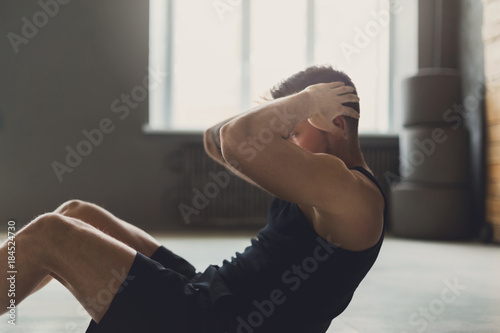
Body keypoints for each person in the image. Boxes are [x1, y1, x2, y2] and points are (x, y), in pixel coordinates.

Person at [0, 65, 385, 332]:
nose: (287, 145)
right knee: (77, 213)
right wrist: (290, 108)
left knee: (50, 235)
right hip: (215, 295)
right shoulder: (318, 180)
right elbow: (216, 140)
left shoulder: (351, 195)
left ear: (336, 124)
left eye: (294, 134)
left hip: (218, 323)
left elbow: (238, 140)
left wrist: (303, 102)